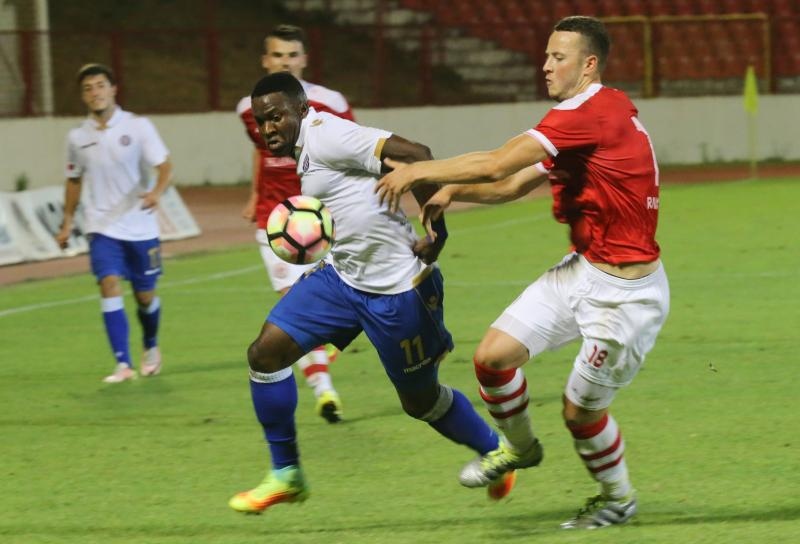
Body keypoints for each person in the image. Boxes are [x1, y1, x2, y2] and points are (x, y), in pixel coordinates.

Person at [375, 16, 670, 530]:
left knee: (580, 414)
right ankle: (519, 447)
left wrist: (420, 171)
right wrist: (454, 191)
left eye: (559, 56)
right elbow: (512, 183)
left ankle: (618, 498)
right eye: (547, 54)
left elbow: (496, 163)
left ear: (589, 64)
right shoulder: (594, 114)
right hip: (583, 271)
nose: (546, 64)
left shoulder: (588, 113)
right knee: (492, 358)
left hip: (626, 296)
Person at [228, 72, 512, 514]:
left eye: (277, 117)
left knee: (419, 402)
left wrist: (436, 230)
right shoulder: (307, 149)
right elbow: (386, 169)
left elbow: (417, 156)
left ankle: (495, 450)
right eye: (262, 121)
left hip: (399, 292)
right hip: (341, 280)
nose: (268, 129)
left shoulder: (327, 135)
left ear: (302, 110)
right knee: (265, 354)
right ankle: (287, 474)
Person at [236, 24, 355, 423]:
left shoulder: (331, 102)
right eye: (277, 56)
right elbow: (259, 151)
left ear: (303, 60)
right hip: (277, 217)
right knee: (294, 302)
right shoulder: (245, 107)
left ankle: (332, 339)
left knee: (350, 295)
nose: (285, 62)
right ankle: (325, 392)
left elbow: (354, 149)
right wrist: (254, 194)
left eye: (292, 55)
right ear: (265, 60)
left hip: (322, 214)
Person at [56, 63, 172, 384]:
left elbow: (164, 166)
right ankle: (122, 363)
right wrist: (66, 222)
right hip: (100, 226)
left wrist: (156, 193)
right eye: (88, 88)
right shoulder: (77, 137)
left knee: (145, 296)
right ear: (83, 96)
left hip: (140, 226)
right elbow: (73, 180)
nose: (95, 93)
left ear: (113, 89)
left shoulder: (138, 127)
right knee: (108, 283)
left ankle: (150, 345)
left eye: (100, 85)